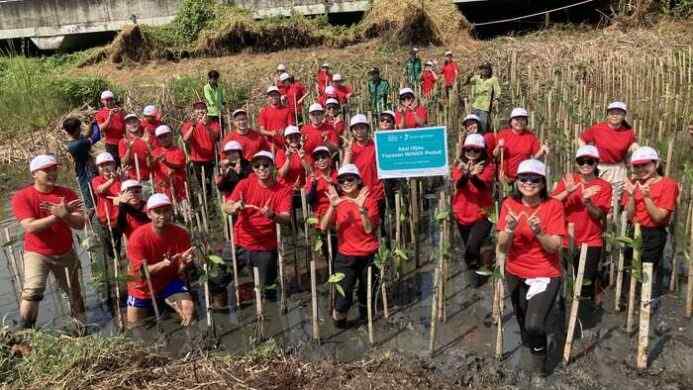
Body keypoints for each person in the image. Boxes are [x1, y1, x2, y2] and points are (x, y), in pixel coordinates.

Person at [496, 159, 566, 378]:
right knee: (521, 319)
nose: (528, 183)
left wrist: (539, 233)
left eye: (534, 179)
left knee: (534, 324)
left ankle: (539, 370)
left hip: (545, 273)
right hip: (515, 271)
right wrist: (508, 229)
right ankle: (529, 353)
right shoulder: (509, 203)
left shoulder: (553, 206)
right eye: (523, 178)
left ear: (543, 183)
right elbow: (502, 245)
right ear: (516, 182)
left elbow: (555, 246)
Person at [11, 154, 86, 329]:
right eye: (47, 170)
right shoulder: (23, 197)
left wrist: (65, 214)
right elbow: (30, 227)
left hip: (65, 251)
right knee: (32, 291)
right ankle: (25, 331)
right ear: (34, 174)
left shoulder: (66, 193)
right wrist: (56, 217)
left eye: (54, 169)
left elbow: (81, 223)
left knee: (75, 293)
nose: (52, 173)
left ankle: (81, 330)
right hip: (37, 252)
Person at [223, 151, 292, 293]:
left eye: (265, 165)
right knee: (217, 278)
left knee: (268, 288)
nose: (261, 168)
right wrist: (234, 207)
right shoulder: (245, 184)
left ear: (273, 166)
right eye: (257, 166)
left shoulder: (283, 190)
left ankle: (268, 312)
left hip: (265, 248)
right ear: (253, 168)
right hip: (239, 242)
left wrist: (272, 215)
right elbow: (226, 206)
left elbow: (286, 218)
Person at [320, 164, 379, 328]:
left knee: (366, 295)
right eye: (342, 180)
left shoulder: (370, 201)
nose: (346, 183)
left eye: (350, 179)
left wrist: (361, 209)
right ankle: (340, 326)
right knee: (343, 298)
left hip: (369, 256)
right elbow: (323, 227)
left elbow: (369, 229)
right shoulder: (338, 202)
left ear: (359, 180)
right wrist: (332, 206)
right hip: (346, 256)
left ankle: (366, 325)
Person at [551, 145, 612, 304]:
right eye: (581, 161)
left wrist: (587, 202)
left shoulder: (604, 186)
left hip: (591, 240)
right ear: (576, 163)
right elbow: (550, 204)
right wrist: (568, 192)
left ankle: (585, 312)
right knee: (565, 281)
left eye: (589, 161)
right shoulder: (568, 180)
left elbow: (599, 215)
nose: (585, 164)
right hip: (565, 238)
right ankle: (566, 316)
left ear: (596, 163)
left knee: (584, 283)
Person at [126, 193, 195, 328]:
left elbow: (180, 270)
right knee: (134, 326)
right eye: (157, 212)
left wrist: (185, 263)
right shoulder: (137, 238)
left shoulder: (181, 234)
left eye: (166, 211)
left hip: (169, 281)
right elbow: (141, 273)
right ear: (149, 214)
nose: (162, 215)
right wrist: (163, 264)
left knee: (189, 310)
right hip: (142, 286)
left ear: (171, 212)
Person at [621, 146, 679, 299]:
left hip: (654, 232)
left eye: (645, 165)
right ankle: (628, 301)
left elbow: (659, 217)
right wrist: (633, 195)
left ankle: (643, 304)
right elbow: (630, 215)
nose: (641, 169)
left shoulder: (668, 185)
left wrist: (647, 197)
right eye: (637, 166)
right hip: (634, 230)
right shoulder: (633, 183)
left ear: (656, 164)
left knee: (646, 270)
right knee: (630, 269)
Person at [451, 134, 497, 287]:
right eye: (468, 149)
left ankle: (477, 281)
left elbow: (482, 186)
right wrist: (468, 173)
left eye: (476, 150)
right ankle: (476, 272)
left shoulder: (489, 166)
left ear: (482, 151)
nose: (471, 153)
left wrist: (475, 176)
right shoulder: (458, 165)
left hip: (483, 213)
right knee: (470, 248)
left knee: (472, 246)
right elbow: (459, 184)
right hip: (462, 213)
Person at [579, 101, 639, 214]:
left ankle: (611, 224)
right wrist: (585, 153)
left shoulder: (628, 132)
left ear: (624, 115)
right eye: (612, 113)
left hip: (618, 168)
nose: (615, 115)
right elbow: (582, 139)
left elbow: (633, 145)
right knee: (598, 195)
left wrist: (635, 151)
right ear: (607, 114)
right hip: (599, 167)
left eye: (619, 113)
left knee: (614, 200)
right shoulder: (597, 128)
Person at [343, 114, 385, 212]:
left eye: (362, 128)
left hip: (376, 194)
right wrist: (348, 152)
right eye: (355, 129)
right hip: (357, 196)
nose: (359, 132)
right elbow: (344, 172)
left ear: (367, 129)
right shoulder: (350, 149)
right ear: (352, 132)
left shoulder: (376, 145)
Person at [494, 108, 547, 184]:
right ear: (511, 122)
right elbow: (495, 154)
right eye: (517, 119)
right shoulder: (503, 134)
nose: (520, 122)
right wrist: (499, 146)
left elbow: (534, 158)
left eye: (523, 119)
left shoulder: (531, 137)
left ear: (526, 122)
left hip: (523, 177)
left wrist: (542, 151)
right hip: (504, 177)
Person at [91, 152, 122, 278]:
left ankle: (120, 270)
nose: (105, 168)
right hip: (104, 221)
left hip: (118, 220)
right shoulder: (96, 180)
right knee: (108, 252)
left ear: (114, 165)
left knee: (118, 249)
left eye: (108, 164)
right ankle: (111, 277)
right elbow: (100, 190)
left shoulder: (121, 179)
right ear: (98, 169)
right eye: (102, 166)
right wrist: (112, 180)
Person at [306, 146, 338, 261]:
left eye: (324, 157)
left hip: (338, 221)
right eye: (318, 159)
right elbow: (309, 200)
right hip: (321, 220)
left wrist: (334, 184)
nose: (321, 161)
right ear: (315, 163)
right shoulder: (313, 178)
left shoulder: (338, 175)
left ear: (330, 159)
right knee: (328, 254)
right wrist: (314, 186)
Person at [182, 101, 220, 195]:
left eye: (202, 108)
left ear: (206, 110)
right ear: (194, 112)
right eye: (197, 109)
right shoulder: (188, 125)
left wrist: (206, 126)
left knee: (212, 185)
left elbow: (215, 137)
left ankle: (212, 201)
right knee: (201, 186)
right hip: (196, 160)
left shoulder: (214, 124)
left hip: (211, 160)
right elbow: (185, 139)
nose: (200, 111)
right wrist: (193, 126)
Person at [63, 116, 99, 210]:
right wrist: (96, 126)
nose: (81, 130)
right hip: (86, 175)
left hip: (83, 174)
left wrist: (91, 125)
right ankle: (93, 221)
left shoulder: (72, 143)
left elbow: (86, 136)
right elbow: (96, 136)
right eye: (79, 128)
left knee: (93, 198)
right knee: (92, 201)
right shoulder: (78, 144)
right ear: (76, 130)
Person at [151, 125, 188, 203]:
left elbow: (179, 166)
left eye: (165, 136)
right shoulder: (155, 152)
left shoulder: (179, 151)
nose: (164, 139)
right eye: (160, 137)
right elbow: (149, 167)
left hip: (179, 189)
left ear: (171, 135)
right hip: (162, 189)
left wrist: (166, 162)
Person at [466, 63, 501, 133]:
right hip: (475, 105)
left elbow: (498, 90)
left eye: (486, 68)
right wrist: (468, 77)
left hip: (485, 107)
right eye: (482, 68)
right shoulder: (476, 78)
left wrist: (496, 99)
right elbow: (467, 83)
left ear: (489, 70)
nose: (484, 70)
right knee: (473, 126)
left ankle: (483, 140)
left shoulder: (493, 79)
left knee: (483, 126)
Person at [258, 86, 295, 150]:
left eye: (275, 95)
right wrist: (271, 133)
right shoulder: (264, 111)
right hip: (270, 146)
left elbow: (291, 126)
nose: (273, 97)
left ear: (279, 96)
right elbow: (262, 130)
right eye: (271, 95)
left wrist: (285, 130)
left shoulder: (287, 110)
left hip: (285, 145)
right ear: (268, 98)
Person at [95, 90, 126, 167]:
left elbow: (125, 126)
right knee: (114, 164)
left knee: (125, 163)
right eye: (107, 100)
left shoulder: (120, 111)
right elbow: (101, 128)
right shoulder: (100, 113)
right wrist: (110, 117)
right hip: (111, 143)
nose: (109, 101)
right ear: (102, 101)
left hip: (122, 141)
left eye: (111, 99)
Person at [276, 125, 311, 190]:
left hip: (302, 189)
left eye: (296, 137)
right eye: (290, 138)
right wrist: (288, 159)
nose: (294, 139)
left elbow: (310, 172)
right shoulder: (280, 153)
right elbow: (281, 174)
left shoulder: (304, 151)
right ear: (286, 139)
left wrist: (303, 159)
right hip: (285, 189)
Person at [118, 114, 151, 183]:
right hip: (133, 181)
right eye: (129, 123)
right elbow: (124, 163)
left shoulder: (147, 138)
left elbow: (154, 158)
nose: (132, 125)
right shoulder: (123, 142)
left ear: (139, 122)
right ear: (126, 126)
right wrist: (129, 149)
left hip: (149, 179)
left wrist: (148, 144)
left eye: (134, 122)